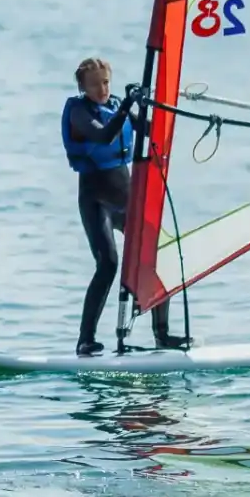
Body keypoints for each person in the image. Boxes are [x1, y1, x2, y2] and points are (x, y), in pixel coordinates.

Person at [62, 58, 188, 356]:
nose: (102, 89)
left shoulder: (116, 104)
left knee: (156, 256)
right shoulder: (78, 112)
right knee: (107, 264)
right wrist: (126, 106)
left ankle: (162, 335)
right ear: (82, 86)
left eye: (105, 82)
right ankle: (85, 340)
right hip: (96, 201)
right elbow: (103, 135)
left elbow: (148, 129)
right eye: (94, 84)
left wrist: (149, 105)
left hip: (127, 199)